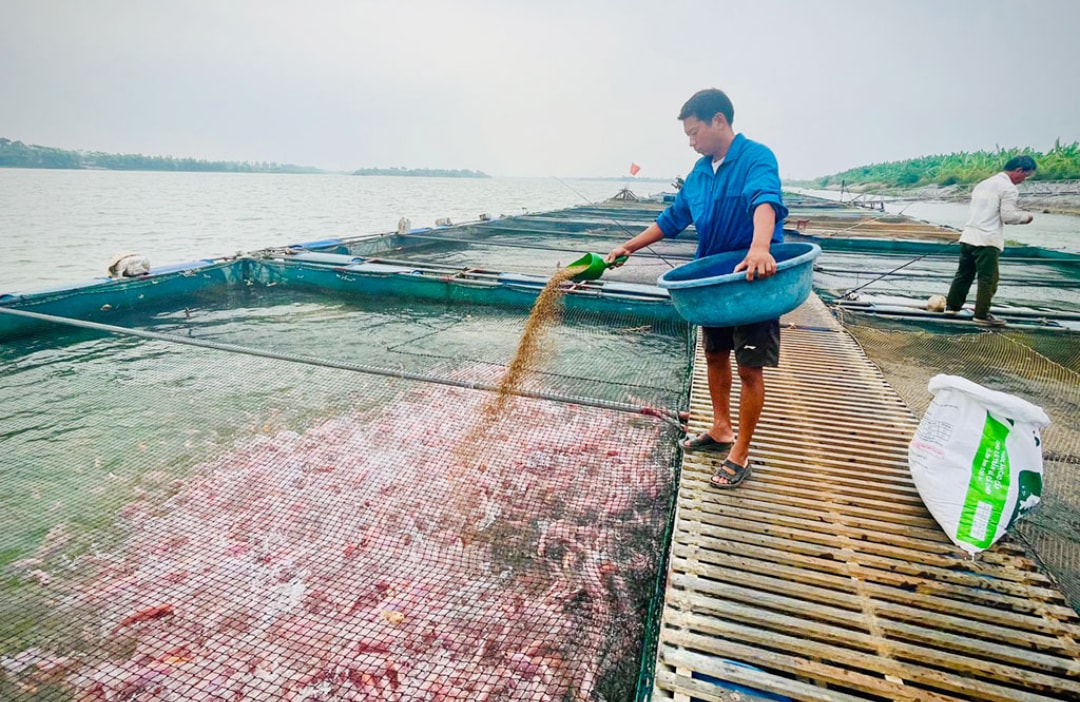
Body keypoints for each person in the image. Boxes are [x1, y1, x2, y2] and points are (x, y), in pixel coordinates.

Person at [606, 88, 787, 489]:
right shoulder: (700, 173)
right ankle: (721, 427)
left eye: (694, 133)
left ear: (719, 120)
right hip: (713, 283)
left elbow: (765, 201)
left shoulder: (757, 157)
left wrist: (760, 248)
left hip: (753, 280)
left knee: (750, 367)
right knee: (716, 355)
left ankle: (741, 451)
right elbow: (672, 218)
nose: (691, 142)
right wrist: (628, 247)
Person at [945, 156, 1037, 327]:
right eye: (1025, 176)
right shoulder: (1008, 188)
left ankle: (952, 307)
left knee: (963, 275)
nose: (1024, 180)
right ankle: (981, 314)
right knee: (988, 279)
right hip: (986, 241)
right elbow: (1008, 217)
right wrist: (1026, 217)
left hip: (968, 237)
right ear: (1018, 170)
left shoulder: (983, 183)